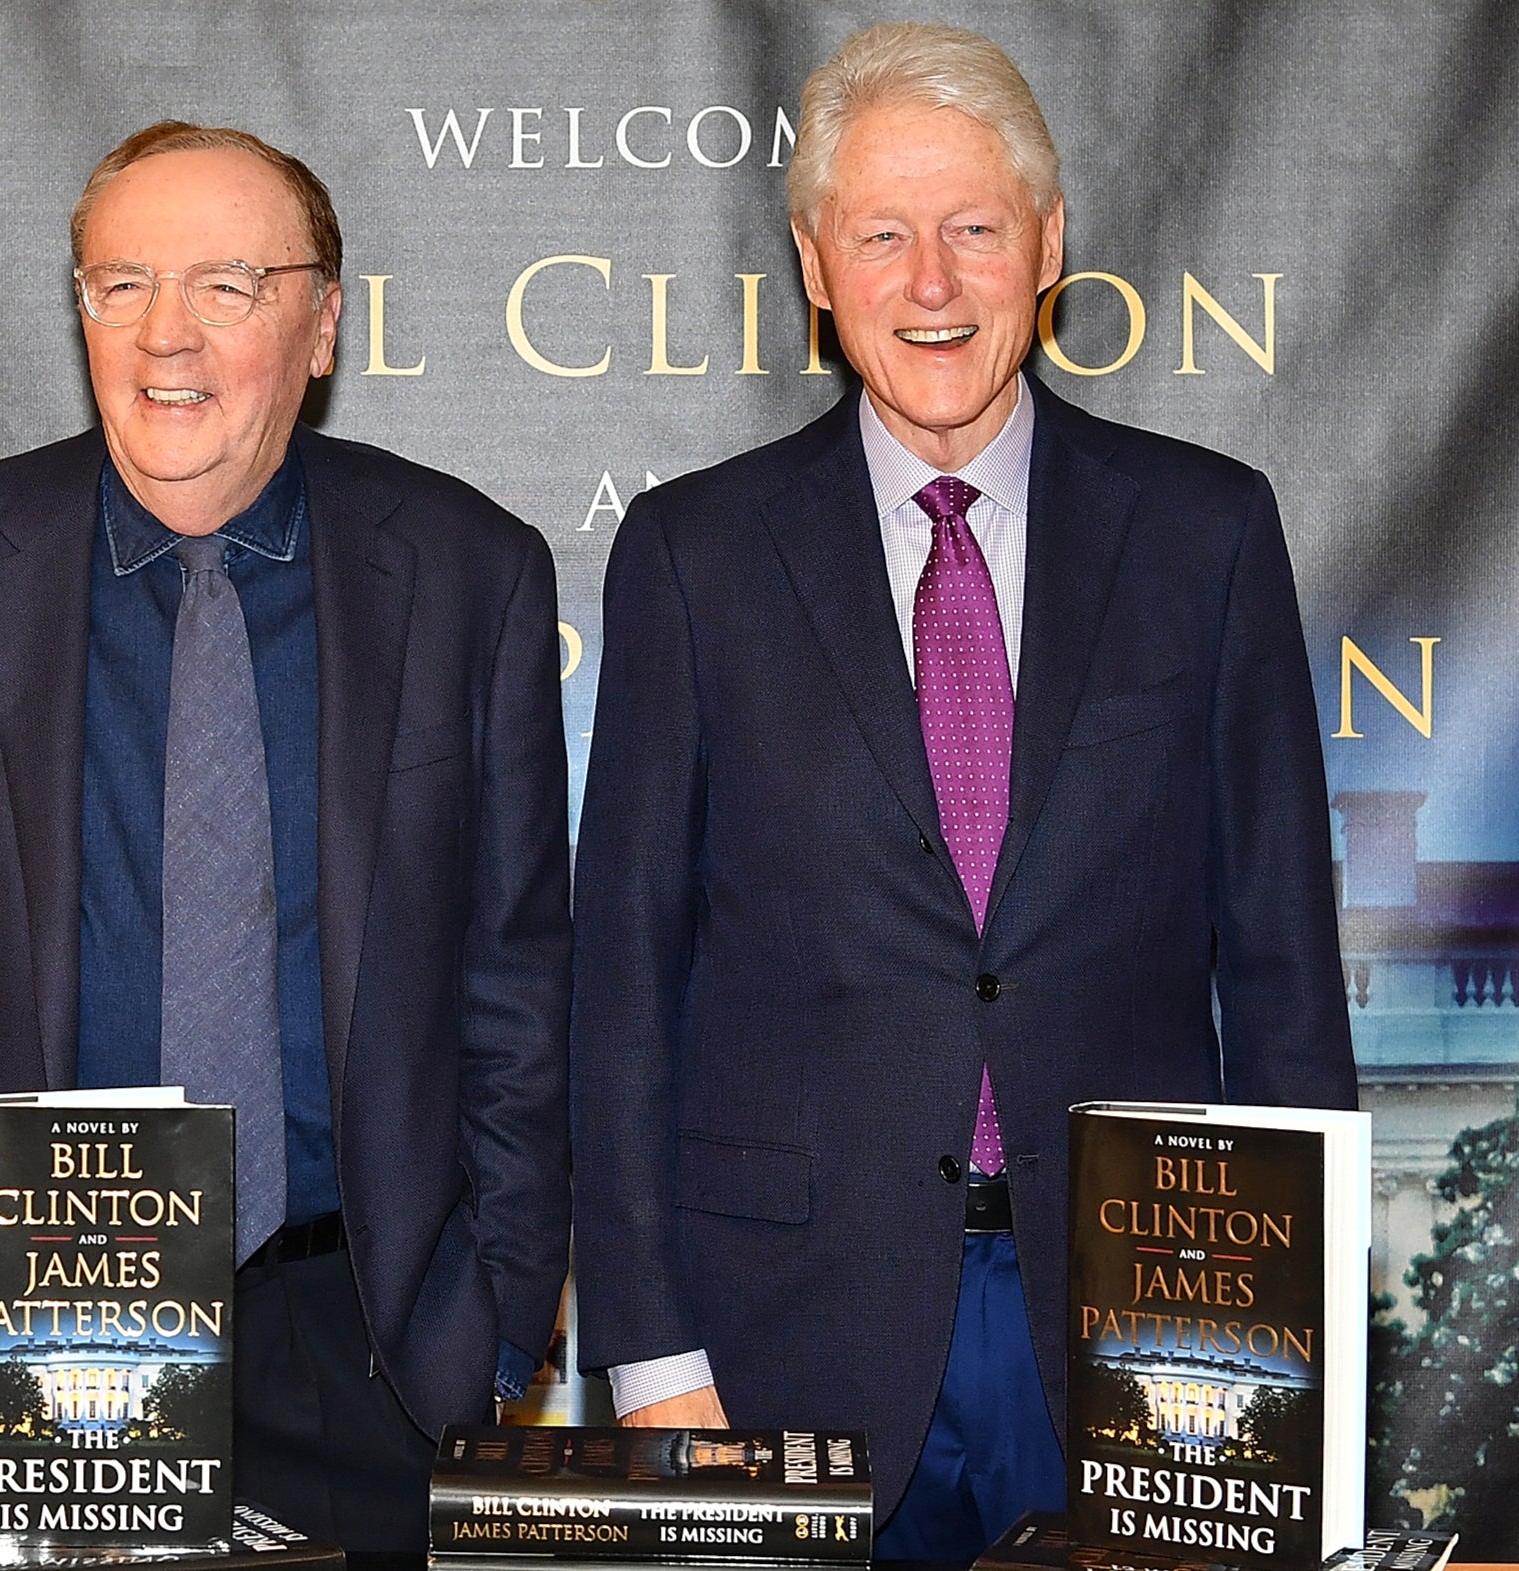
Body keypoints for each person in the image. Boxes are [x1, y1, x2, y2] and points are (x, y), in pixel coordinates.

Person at [568, 22, 1355, 1560]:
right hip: (781, 1328)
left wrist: (1286, 1347)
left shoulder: (1204, 532)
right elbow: (621, 988)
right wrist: (651, 1356)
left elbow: (1279, 971)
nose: (930, 283)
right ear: (813, 265)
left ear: (1047, 247)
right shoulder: (692, 555)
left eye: (974, 230)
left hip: (1149, 1327)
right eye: (881, 235)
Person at [0, 121, 572, 1551]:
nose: (162, 336)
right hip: (19, 1338)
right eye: (119, 285)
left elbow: (513, 988)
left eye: (227, 286)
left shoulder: (466, 572)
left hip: (368, 1342)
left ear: (322, 327)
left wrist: (498, 1333)